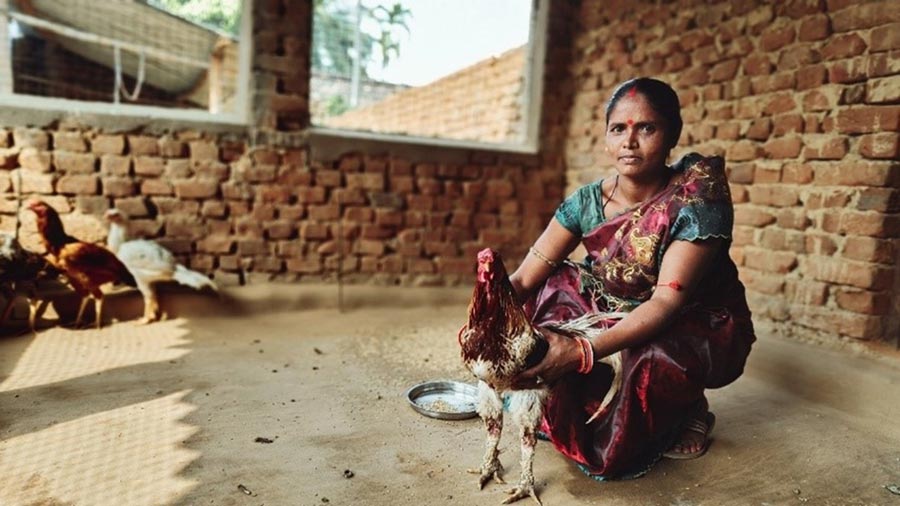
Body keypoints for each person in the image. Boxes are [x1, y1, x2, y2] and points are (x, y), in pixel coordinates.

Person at [508, 77, 756, 479]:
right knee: (550, 291)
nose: (630, 141)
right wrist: (485, 313)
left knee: (648, 357)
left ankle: (689, 406)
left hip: (691, 322)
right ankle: (590, 391)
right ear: (606, 137)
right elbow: (523, 279)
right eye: (618, 128)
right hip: (615, 310)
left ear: (672, 134)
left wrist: (581, 352)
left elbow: (665, 303)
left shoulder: (696, 200)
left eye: (647, 128)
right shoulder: (587, 201)